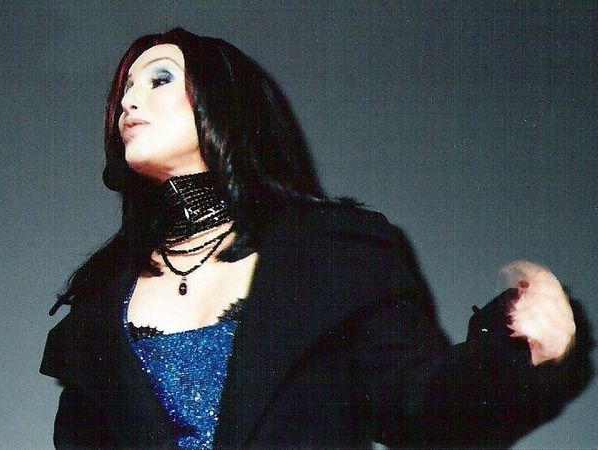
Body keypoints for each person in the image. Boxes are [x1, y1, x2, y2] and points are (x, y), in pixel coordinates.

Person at [40, 27, 578, 450]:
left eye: (158, 78)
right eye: (125, 90)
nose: (129, 103)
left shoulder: (336, 254)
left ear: (221, 99)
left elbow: (416, 408)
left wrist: (519, 350)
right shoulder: (98, 305)